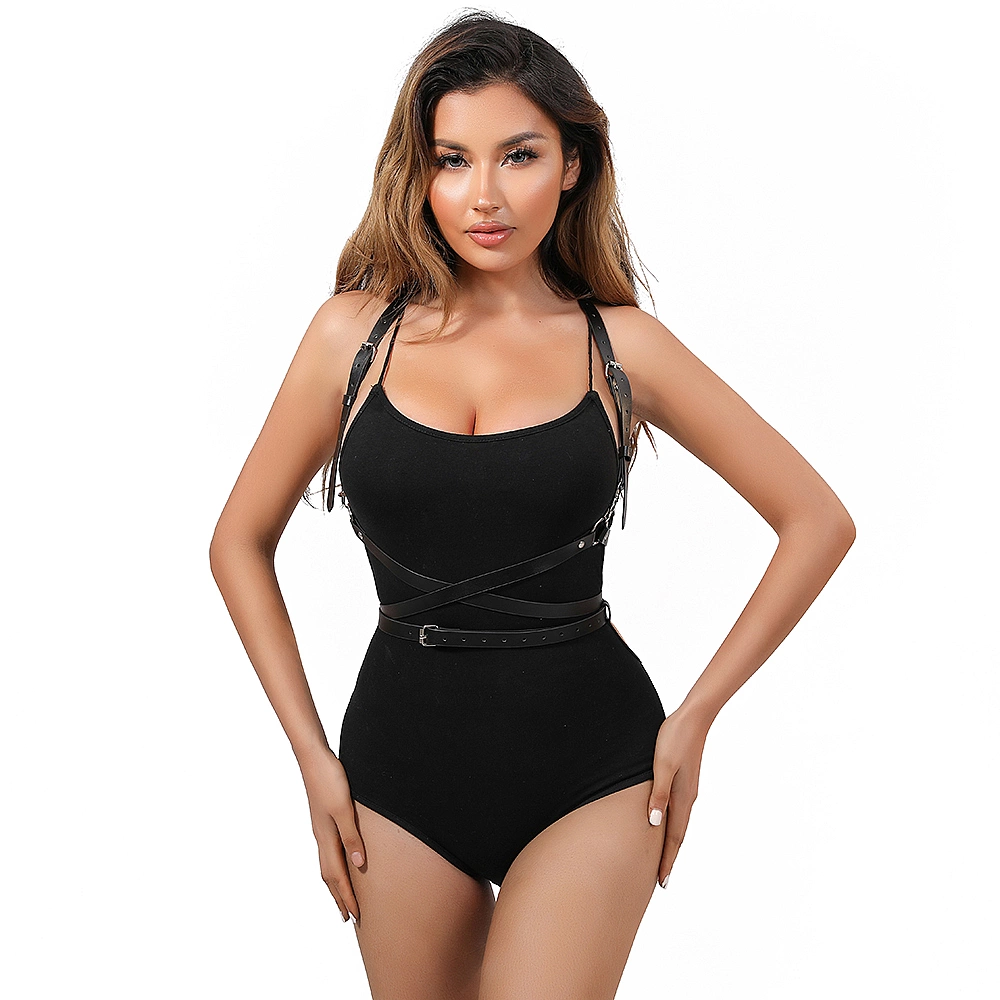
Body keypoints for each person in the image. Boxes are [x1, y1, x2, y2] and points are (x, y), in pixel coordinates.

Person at [209, 10, 855, 999]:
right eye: (452, 159)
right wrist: (310, 754)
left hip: (592, 767)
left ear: (572, 163)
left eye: (518, 155)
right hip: (396, 770)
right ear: (419, 172)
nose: (484, 195)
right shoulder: (349, 336)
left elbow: (816, 519)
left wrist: (694, 718)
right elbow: (238, 541)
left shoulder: (622, 347)